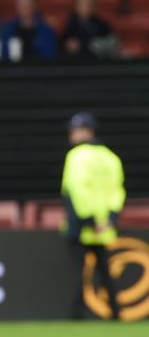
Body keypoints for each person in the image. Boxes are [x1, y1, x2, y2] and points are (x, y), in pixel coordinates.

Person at [62, 112, 124, 321]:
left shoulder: (76, 156)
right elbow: (118, 191)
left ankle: (77, 315)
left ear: (88, 131)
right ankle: (116, 313)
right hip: (105, 227)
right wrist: (109, 218)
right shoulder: (110, 157)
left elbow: (77, 190)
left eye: (75, 130)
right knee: (105, 273)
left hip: (83, 225)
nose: (71, 134)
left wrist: (89, 220)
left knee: (79, 273)